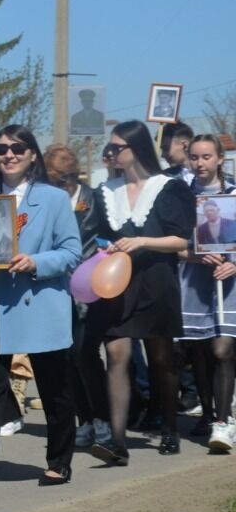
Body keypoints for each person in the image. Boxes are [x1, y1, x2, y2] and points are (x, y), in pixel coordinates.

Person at [0, 127, 82, 496]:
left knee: (53, 387)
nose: (9, 154)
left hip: (39, 303)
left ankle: (59, 460)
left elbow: (72, 252)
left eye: (17, 148)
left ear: (32, 154)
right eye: (1, 149)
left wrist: (36, 261)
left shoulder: (55, 199)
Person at [85, 121, 193, 465]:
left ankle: (170, 427)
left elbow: (181, 240)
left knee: (161, 359)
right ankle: (117, 442)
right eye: (110, 148)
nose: (111, 153)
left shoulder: (168, 187)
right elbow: (100, 236)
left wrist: (143, 240)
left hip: (156, 281)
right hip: (117, 284)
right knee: (116, 355)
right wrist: (106, 247)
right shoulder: (105, 192)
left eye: (118, 147)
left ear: (136, 148)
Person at [43, 146, 112, 452]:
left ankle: (103, 418)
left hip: (90, 287)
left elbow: (107, 236)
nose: (61, 183)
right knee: (67, 357)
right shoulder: (47, 201)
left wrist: (93, 261)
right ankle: (84, 418)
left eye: (62, 178)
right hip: (58, 288)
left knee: (86, 353)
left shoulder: (93, 198)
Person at [178, 135, 236, 451]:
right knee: (199, 350)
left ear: (220, 159)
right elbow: (172, 245)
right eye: (195, 157)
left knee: (222, 349)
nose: (200, 163)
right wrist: (195, 256)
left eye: (207, 157)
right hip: (194, 284)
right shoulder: (183, 197)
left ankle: (224, 422)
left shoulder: (234, 194)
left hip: (229, 284)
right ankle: (208, 410)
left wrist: (234, 265)